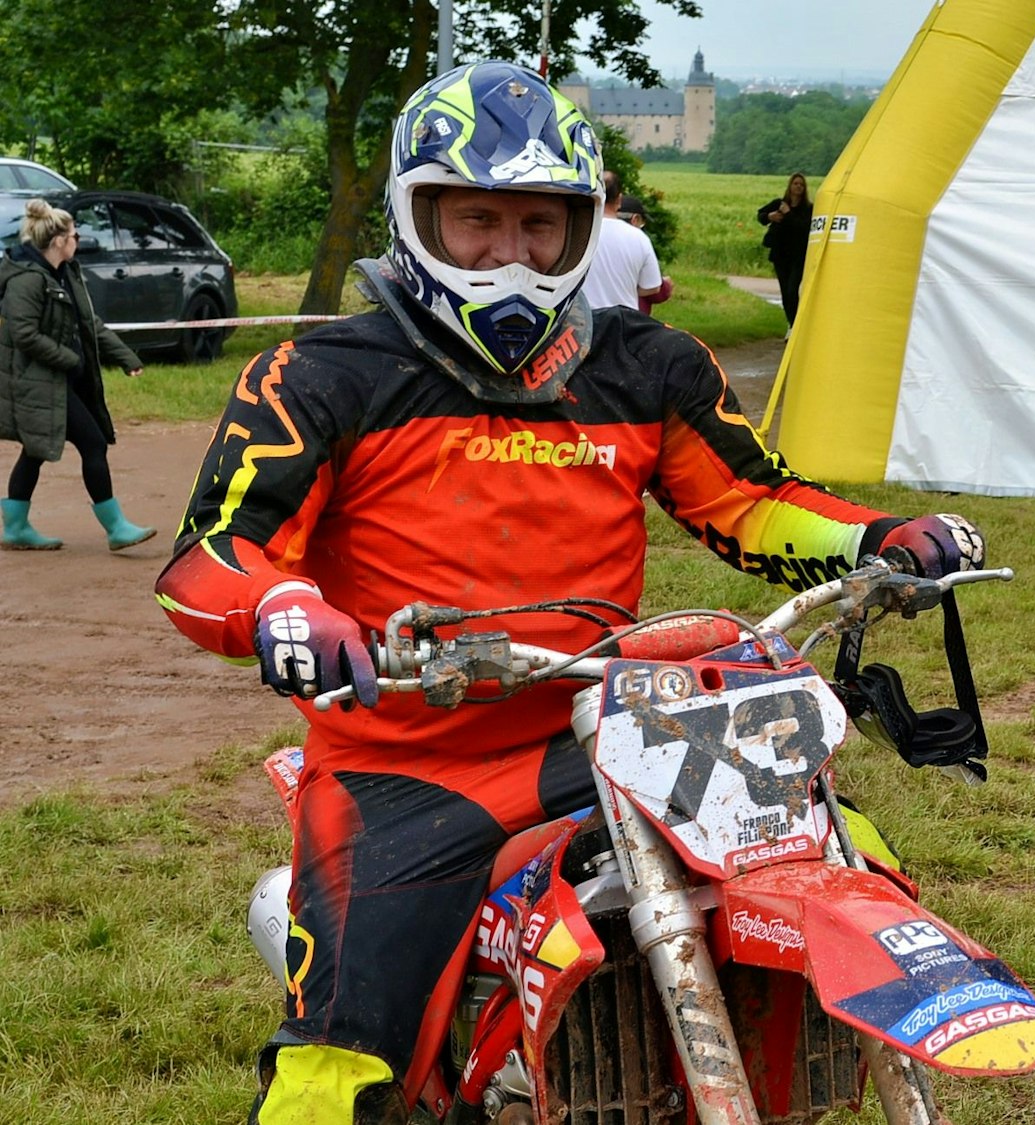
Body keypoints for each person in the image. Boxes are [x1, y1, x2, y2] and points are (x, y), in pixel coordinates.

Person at [152, 62, 985, 1125]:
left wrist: (877, 538)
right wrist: (285, 612)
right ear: (418, 216)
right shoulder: (320, 374)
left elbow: (748, 502)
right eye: (478, 220)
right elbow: (214, 554)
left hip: (616, 728)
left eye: (540, 224)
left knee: (844, 858)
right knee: (342, 1058)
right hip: (408, 759)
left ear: (584, 226)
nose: (511, 253)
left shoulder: (648, 365)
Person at [0, 198, 154, 551]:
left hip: (58, 379)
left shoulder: (65, 272)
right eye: (74, 235)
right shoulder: (26, 280)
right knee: (93, 443)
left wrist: (125, 357)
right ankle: (116, 528)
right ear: (58, 241)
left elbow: (90, 324)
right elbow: (24, 334)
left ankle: (16, 526)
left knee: (36, 449)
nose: (78, 240)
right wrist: (68, 359)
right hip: (36, 382)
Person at [579, 168, 666, 312]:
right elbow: (652, 287)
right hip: (624, 319)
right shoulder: (639, 238)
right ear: (619, 200)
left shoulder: (577, 232)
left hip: (583, 318)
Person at [756, 172, 813, 325]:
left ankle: (797, 323)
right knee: (785, 292)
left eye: (801, 184)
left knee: (792, 290)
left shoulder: (808, 209)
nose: (798, 187)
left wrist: (788, 214)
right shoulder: (779, 203)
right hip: (780, 254)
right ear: (790, 186)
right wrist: (769, 217)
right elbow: (760, 215)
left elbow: (804, 228)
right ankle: (791, 323)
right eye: (795, 184)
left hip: (798, 256)